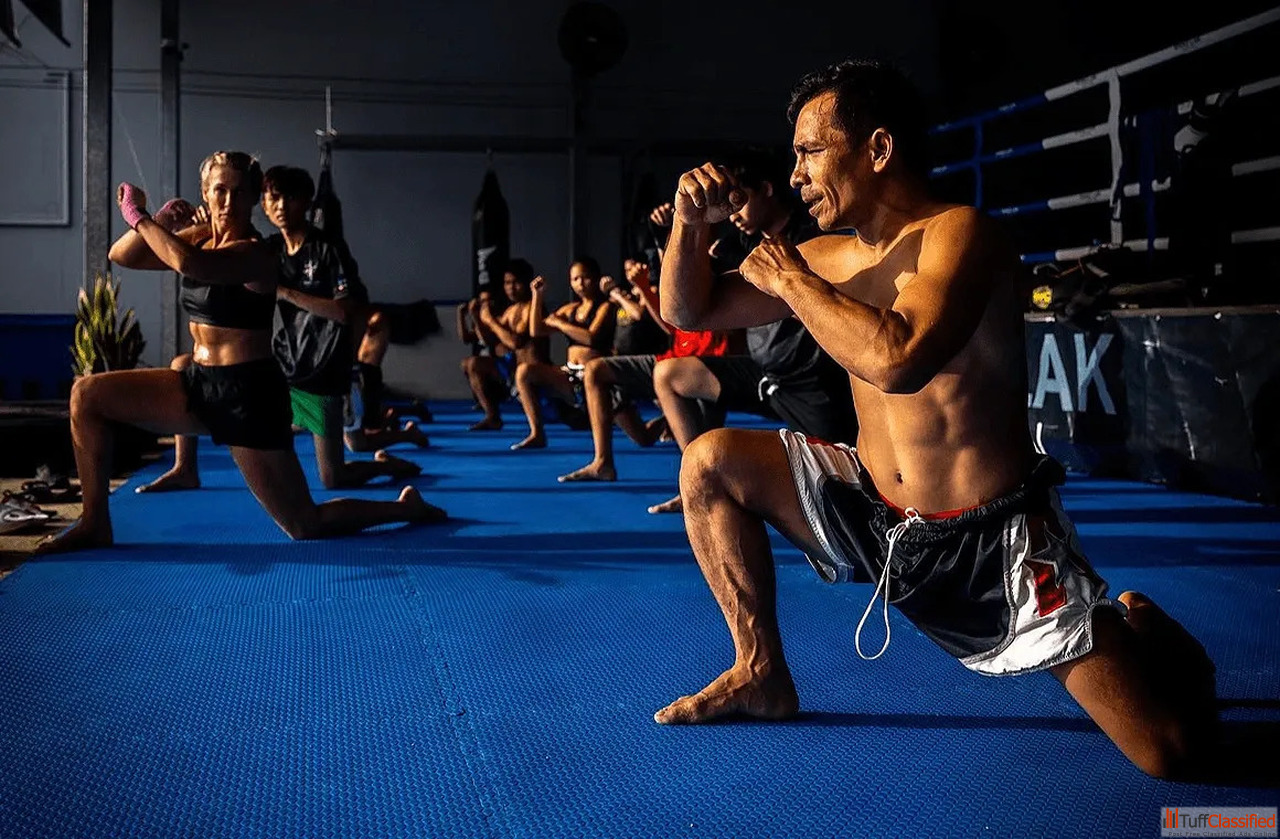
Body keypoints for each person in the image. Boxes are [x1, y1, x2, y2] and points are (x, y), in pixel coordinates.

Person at [652, 60, 1216, 781]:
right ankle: (759, 670)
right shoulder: (826, 255)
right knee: (709, 461)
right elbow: (689, 311)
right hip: (875, 513)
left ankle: (1146, 631)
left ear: (878, 149)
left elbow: (899, 360)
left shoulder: (960, 235)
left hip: (989, 542)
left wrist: (791, 280)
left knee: (1171, 754)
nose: (795, 175)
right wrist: (688, 225)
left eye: (811, 151)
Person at [38, 151, 445, 554]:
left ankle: (403, 507)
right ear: (205, 193)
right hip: (198, 385)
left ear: (252, 198)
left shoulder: (255, 252)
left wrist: (137, 215)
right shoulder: (198, 236)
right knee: (86, 394)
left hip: (248, 396)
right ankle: (95, 522)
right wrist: (162, 220)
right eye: (219, 190)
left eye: (239, 192)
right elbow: (122, 255)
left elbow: (191, 265)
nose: (228, 201)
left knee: (304, 524)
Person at [136, 165, 423, 492]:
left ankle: (390, 462)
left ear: (307, 202)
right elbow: (217, 259)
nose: (281, 206)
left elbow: (345, 312)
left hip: (324, 375)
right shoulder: (267, 247)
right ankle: (184, 467)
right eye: (273, 198)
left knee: (337, 472)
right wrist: (207, 227)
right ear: (263, 203)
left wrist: (285, 292)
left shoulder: (328, 249)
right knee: (184, 364)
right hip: (282, 369)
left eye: (290, 198)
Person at [646, 148, 857, 513]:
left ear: (766, 190)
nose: (734, 212)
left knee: (846, 491)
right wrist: (685, 224)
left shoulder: (814, 238)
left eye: (741, 199)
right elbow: (683, 306)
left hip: (812, 384)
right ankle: (697, 484)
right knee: (670, 374)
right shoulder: (741, 243)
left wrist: (792, 286)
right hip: (762, 374)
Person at [556, 257, 734, 482]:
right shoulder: (679, 289)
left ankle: (698, 482)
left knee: (704, 451)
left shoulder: (723, 289)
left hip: (703, 369)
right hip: (666, 362)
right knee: (595, 370)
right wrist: (641, 286)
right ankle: (602, 462)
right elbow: (669, 325)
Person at [509, 257, 616, 450]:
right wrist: (537, 296)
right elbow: (536, 331)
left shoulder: (605, 307)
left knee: (642, 436)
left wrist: (560, 324)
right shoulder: (571, 309)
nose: (580, 284)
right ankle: (537, 433)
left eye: (585, 278)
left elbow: (590, 338)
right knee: (524, 372)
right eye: (575, 279)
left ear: (596, 278)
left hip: (595, 377)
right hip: (570, 376)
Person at [461, 259, 546, 431]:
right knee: (471, 364)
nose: (511, 288)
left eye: (516, 283)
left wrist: (490, 321)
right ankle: (492, 417)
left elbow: (516, 342)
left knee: (572, 419)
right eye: (507, 283)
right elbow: (489, 340)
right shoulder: (511, 311)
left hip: (535, 374)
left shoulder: (533, 308)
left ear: (527, 283)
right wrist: (476, 317)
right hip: (513, 371)